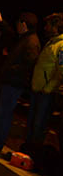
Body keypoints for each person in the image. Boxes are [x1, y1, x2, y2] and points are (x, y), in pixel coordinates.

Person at [0, 11, 41, 152]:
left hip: (14, 83)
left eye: (18, 24)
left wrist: (10, 69)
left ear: (23, 24)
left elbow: (29, 64)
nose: (17, 26)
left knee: (3, 114)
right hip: (9, 81)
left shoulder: (31, 42)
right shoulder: (25, 38)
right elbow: (10, 34)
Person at [23, 13, 63, 156]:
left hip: (46, 92)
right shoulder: (52, 42)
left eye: (48, 25)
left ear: (56, 26)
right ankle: (27, 150)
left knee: (39, 124)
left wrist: (48, 88)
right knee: (33, 122)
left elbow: (61, 71)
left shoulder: (61, 45)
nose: (45, 28)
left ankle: (33, 153)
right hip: (38, 89)